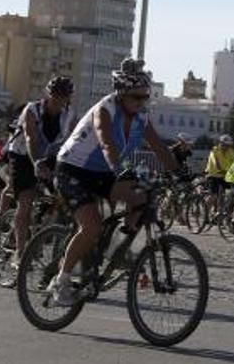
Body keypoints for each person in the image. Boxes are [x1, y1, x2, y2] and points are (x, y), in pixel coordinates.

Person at [47, 59, 181, 306]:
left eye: (145, 97)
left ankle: (117, 249)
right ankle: (61, 280)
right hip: (74, 170)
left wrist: (180, 172)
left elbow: (159, 147)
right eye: (137, 97)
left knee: (141, 197)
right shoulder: (105, 110)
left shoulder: (141, 116)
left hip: (105, 172)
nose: (142, 102)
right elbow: (107, 143)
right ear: (121, 94)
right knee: (92, 226)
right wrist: (122, 169)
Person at [3, 75, 75, 266]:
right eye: (55, 95)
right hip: (23, 155)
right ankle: (20, 252)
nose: (59, 100)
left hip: (51, 156)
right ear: (47, 94)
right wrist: (37, 163)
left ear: (69, 97)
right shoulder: (32, 110)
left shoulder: (70, 116)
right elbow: (30, 139)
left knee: (61, 199)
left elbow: (73, 144)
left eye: (64, 96)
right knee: (25, 202)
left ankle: (41, 228)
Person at [203, 134, 234, 218]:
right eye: (224, 145)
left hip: (225, 176)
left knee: (233, 192)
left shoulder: (231, 151)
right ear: (220, 143)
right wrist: (221, 170)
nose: (226, 147)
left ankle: (220, 212)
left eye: (228, 145)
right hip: (213, 175)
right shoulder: (214, 151)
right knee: (214, 195)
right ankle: (205, 215)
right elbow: (216, 164)